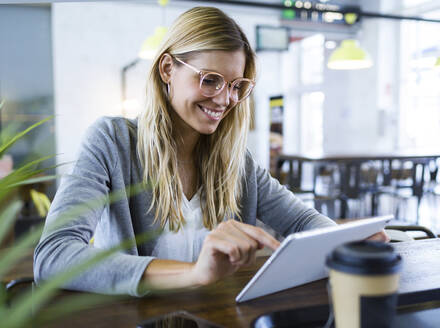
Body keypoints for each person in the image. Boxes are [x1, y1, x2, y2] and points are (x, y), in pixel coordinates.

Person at [34, 6, 387, 296]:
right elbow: (54, 256)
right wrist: (194, 274)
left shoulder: (239, 164)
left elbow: (303, 222)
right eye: (210, 79)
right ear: (168, 69)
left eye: (236, 85)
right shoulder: (112, 142)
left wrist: (345, 244)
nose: (225, 99)